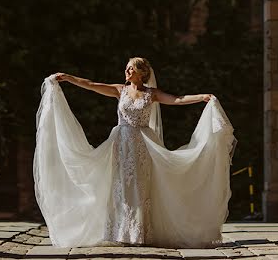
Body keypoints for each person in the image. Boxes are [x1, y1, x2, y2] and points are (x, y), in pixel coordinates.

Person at [33, 56, 236, 248]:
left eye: (132, 68)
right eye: (127, 67)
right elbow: (92, 85)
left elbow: (176, 100)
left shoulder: (151, 94)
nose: (127, 71)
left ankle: (140, 232)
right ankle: (121, 232)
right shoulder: (119, 90)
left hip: (143, 145)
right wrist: (69, 78)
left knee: (141, 186)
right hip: (121, 143)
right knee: (120, 185)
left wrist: (202, 97)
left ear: (141, 73)